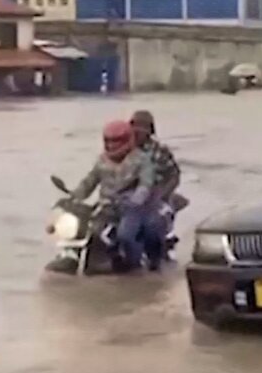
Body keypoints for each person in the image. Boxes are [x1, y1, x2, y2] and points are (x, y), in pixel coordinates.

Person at [71, 120, 165, 272]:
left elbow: (146, 183)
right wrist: (75, 195)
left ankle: (134, 265)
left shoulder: (142, 159)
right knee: (88, 231)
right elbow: (90, 180)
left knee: (125, 236)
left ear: (128, 139)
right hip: (107, 207)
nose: (111, 145)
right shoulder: (102, 160)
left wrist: (137, 198)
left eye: (116, 141)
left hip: (132, 208)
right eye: (108, 141)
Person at [129, 110, 185, 258]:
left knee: (156, 226)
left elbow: (174, 175)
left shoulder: (160, 151)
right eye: (134, 125)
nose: (137, 130)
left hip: (156, 197)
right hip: (130, 198)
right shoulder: (123, 149)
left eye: (142, 126)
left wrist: (163, 195)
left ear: (150, 130)